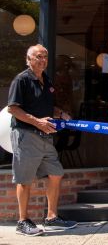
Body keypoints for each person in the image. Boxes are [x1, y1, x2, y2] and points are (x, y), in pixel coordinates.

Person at [8, 44, 77, 236]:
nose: (42, 60)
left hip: (46, 137)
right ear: (28, 59)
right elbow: (13, 108)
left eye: (45, 56)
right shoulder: (21, 80)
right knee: (25, 179)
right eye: (38, 56)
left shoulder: (46, 80)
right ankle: (22, 221)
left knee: (56, 174)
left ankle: (51, 217)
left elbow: (47, 106)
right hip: (26, 135)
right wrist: (37, 122)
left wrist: (61, 113)